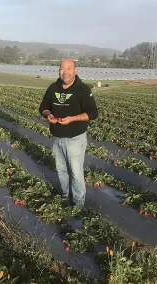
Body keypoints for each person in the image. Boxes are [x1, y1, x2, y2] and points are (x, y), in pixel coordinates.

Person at [39, 59, 98, 208]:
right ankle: (66, 197)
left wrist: (72, 118)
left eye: (69, 68)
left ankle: (78, 205)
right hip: (57, 137)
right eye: (62, 69)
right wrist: (48, 115)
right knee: (61, 170)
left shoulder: (83, 89)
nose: (65, 72)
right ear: (59, 71)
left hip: (75, 138)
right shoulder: (53, 88)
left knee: (76, 173)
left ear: (75, 70)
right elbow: (43, 107)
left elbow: (92, 113)